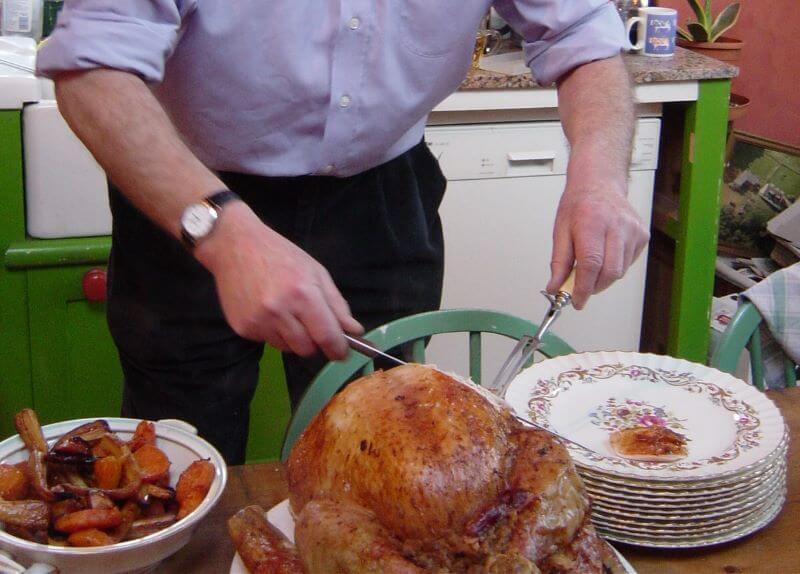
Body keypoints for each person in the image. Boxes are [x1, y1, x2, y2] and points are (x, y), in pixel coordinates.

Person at [37, 1, 649, 464]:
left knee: (383, 445)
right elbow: (92, 67)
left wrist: (598, 176)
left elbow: (581, 33)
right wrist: (225, 235)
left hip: (378, 195)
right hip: (192, 197)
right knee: (176, 456)